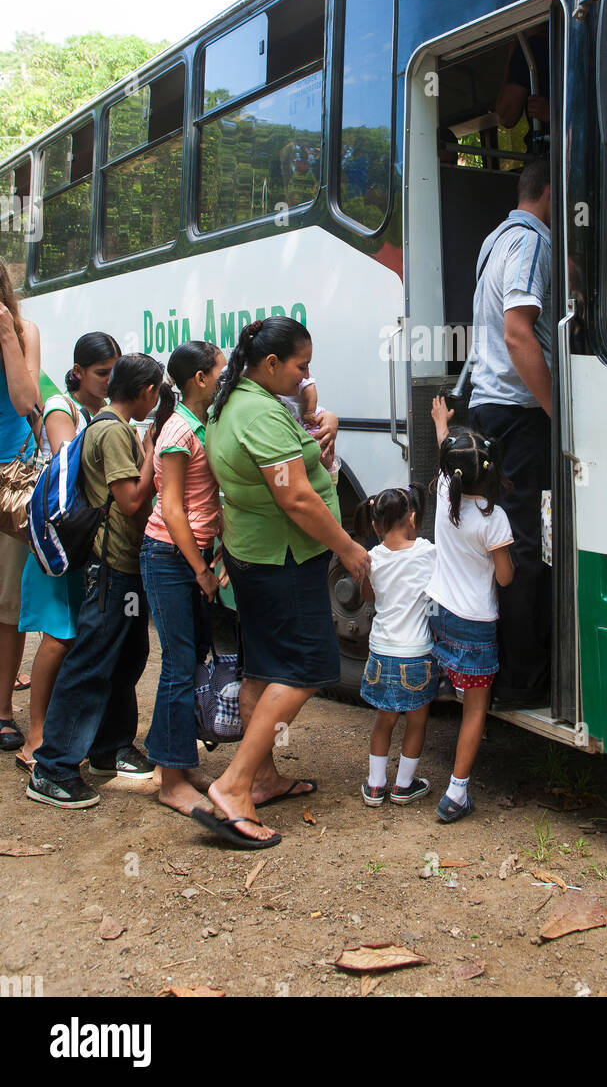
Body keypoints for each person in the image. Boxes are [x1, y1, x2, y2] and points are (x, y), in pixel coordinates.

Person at [198, 317, 369, 849]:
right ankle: (233, 785)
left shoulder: (237, 400)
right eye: (301, 365)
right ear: (271, 364)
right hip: (285, 561)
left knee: (263, 669)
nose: (305, 375)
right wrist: (348, 548)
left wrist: (328, 421)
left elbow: (303, 436)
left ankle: (264, 777)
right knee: (304, 669)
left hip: (255, 557)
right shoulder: (258, 412)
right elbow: (295, 498)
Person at [27, 354, 166, 809]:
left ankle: (110, 747)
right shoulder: (110, 430)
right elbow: (129, 502)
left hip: (125, 567)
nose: (158, 400)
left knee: (126, 657)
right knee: (92, 662)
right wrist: (151, 454)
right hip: (111, 568)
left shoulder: (114, 426)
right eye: (157, 392)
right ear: (145, 392)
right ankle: (52, 768)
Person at [468, 155, 552, 709]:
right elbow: (519, 334)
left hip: (487, 412)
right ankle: (523, 683)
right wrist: (558, 411)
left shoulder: (494, 240)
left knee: (494, 540)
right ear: (555, 192)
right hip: (519, 413)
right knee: (528, 544)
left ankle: (487, 670)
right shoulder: (532, 241)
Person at [17, 332, 121, 771]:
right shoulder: (64, 408)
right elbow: (67, 464)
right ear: (78, 372)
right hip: (60, 542)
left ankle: (60, 727)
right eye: (101, 374)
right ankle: (36, 733)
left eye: (115, 374)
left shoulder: (103, 413)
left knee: (74, 636)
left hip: (83, 543)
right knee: (58, 637)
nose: (108, 382)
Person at [140, 341, 228, 816]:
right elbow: (171, 507)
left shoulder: (198, 423)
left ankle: (172, 761)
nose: (224, 376)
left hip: (188, 555)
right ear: (199, 379)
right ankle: (172, 782)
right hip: (170, 557)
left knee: (189, 657)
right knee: (177, 663)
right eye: (219, 370)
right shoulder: (178, 430)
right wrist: (200, 569)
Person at [426, 398, 513, 822]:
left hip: (440, 612)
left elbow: (447, 453)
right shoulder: (493, 519)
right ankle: (456, 792)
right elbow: (505, 579)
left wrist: (441, 422)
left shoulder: (445, 492)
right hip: (475, 621)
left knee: (452, 677)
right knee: (476, 708)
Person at [353, 485, 437, 807]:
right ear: (413, 518)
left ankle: (375, 786)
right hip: (415, 654)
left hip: (381, 654)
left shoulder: (371, 558)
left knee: (383, 720)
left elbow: (368, 596)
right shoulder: (427, 552)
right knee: (416, 721)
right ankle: (403, 785)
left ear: (375, 525)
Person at [0, 257, 41, 753]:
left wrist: (8, 337)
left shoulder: (25, 330)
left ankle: (4, 711)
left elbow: (26, 402)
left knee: (7, 606)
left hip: (9, 481)